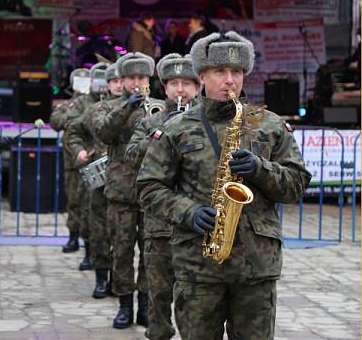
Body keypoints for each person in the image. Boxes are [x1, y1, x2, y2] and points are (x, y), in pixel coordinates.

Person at [137, 31, 311, 340]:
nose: (229, 80)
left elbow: (296, 184)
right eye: (220, 71)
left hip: (256, 266)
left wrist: (261, 169)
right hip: (198, 266)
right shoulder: (176, 128)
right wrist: (188, 212)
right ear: (202, 75)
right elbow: (149, 187)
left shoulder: (268, 124)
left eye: (236, 72)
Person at [125, 53, 200, 340]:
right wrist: (161, 132)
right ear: (165, 87)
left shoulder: (207, 119)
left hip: (195, 222)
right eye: (174, 83)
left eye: (186, 83)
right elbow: (132, 155)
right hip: (159, 223)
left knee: (194, 294)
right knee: (158, 290)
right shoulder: (151, 120)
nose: (180, 90)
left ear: (198, 86)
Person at [93, 52, 162, 329]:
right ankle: (124, 304)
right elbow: (102, 133)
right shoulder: (107, 107)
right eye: (131, 78)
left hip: (151, 192)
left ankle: (145, 304)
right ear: (121, 80)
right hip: (121, 193)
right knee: (121, 251)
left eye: (142, 78)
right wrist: (125, 108)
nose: (137, 83)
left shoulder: (158, 107)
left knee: (149, 252)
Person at [65, 62, 112, 284]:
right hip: (93, 169)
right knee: (89, 215)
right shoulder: (87, 105)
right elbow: (67, 126)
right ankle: (93, 261)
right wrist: (80, 151)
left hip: (127, 177)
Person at [49, 68, 91, 257]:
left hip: (92, 156)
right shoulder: (69, 105)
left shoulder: (96, 103)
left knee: (90, 204)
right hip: (72, 160)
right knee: (73, 200)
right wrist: (74, 119)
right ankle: (73, 235)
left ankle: (89, 242)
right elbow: (55, 121)